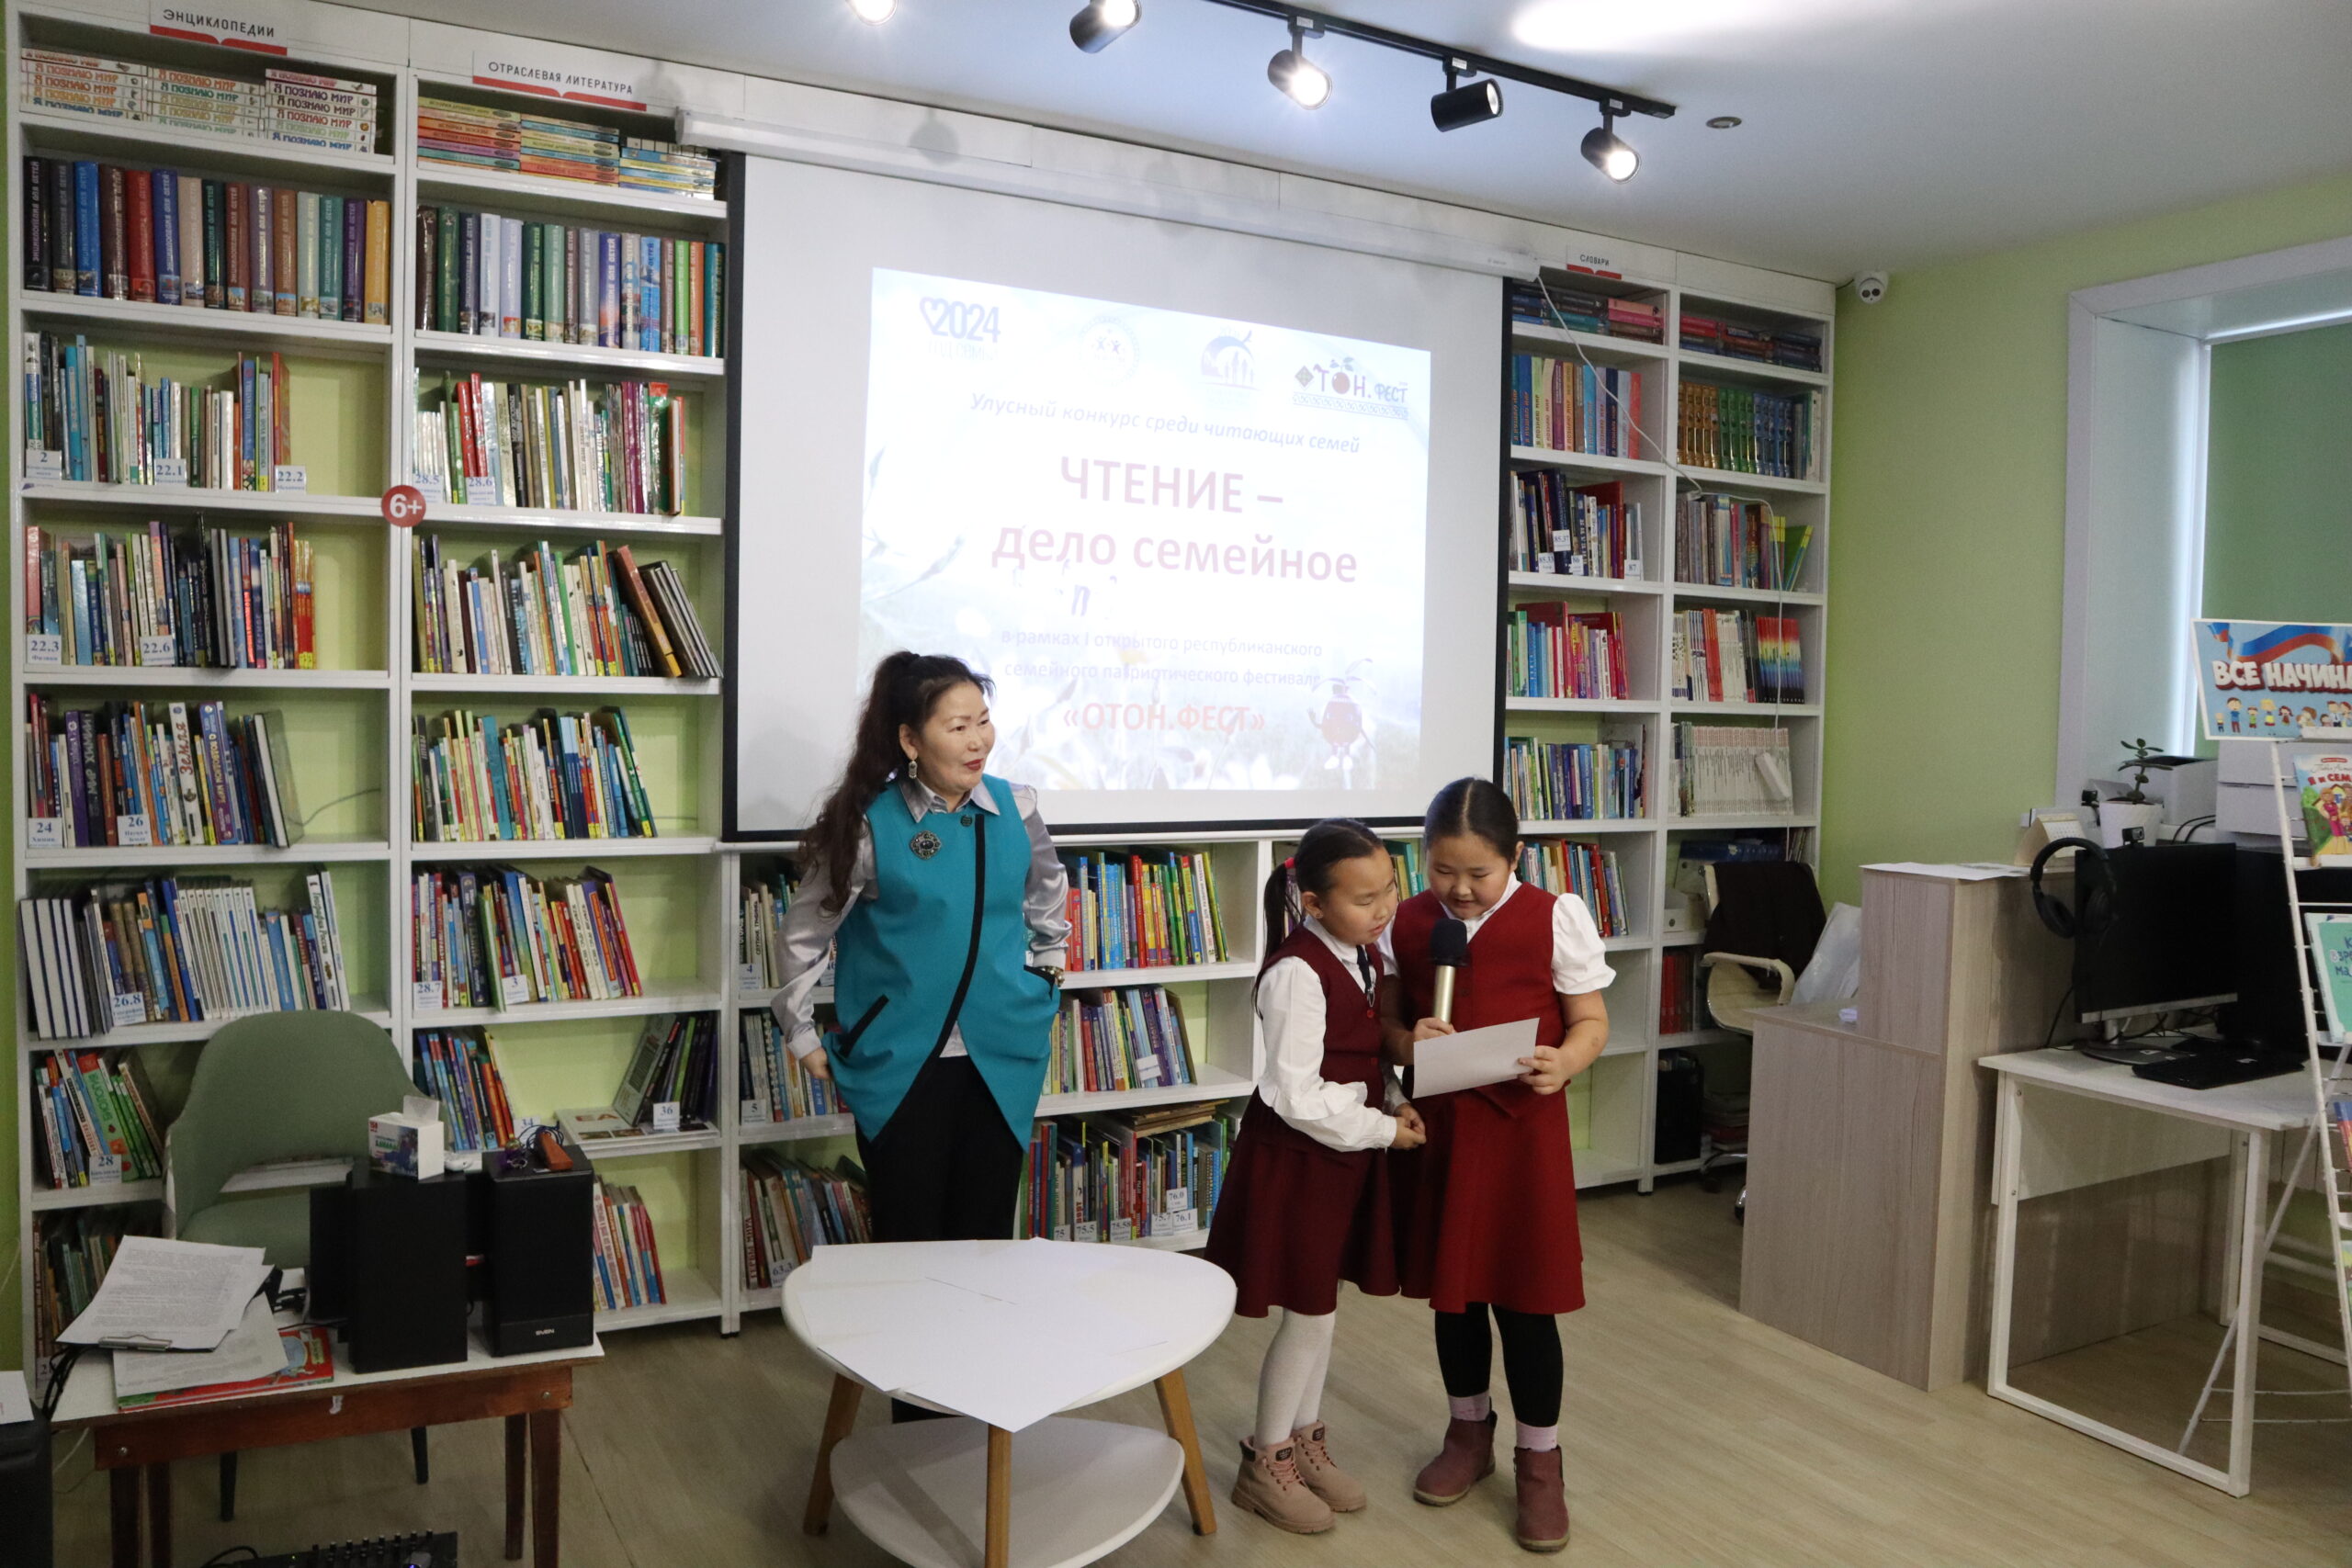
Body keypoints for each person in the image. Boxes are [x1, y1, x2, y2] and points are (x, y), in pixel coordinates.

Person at [769, 653, 1068, 1384]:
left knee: (986, 1247)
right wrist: (801, 1032)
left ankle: (979, 1401)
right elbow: (804, 932)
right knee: (910, 1251)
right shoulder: (870, 826)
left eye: (983, 721)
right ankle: (917, 1412)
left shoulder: (1016, 807)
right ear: (910, 739)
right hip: (903, 1065)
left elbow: (1047, 894)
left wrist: (1046, 978)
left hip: (1001, 1057)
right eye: (957, 726)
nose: (977, 740)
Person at [1378, 777, 1612, 1554]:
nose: (1460, 888)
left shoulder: (1555, 915)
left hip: (1521, 1134)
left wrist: (1564, 1061)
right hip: (1443, 1130)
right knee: (1456, 1297)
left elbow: (1591, 1020)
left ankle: (1540, 1461)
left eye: (1478, 872)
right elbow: (1386, 1020)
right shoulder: (1408, 920)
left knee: (1526, 1301)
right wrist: (1408, 1042)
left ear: (1515, 857)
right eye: (1442, 870)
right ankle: (1467, 1432)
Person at [1201, 819, 1427, 1535]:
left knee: (1322, 1304)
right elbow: (1296, 1094)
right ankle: (1265, 1460)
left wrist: (1393, 1099)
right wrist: (1382, 1129)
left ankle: (1302, 1439)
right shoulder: (1297, 972)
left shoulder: (1364, 955)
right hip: (1299, 1160)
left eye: (1389, 889)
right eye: (1364, 898)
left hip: (1342, 1154)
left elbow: (1360, 1057)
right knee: (1310, 1311)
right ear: (1314, 902)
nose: (1383, 908)